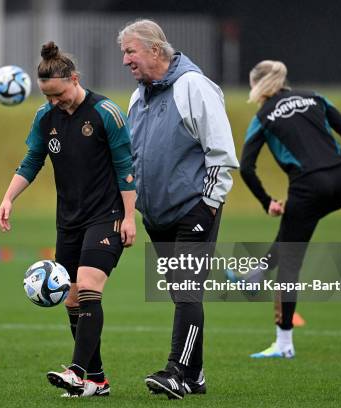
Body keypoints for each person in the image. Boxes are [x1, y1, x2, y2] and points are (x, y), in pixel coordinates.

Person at [0, 41, 136, 397]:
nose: (54, 102)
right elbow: (32, 161)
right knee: (73, 300)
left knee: (89, 286)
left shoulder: (106, 112)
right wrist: (8, 197)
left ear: (73, 79)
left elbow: (126, 169)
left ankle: (76, 371)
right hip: (69, 221)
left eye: (58, 94)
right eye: (47, 97)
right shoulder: (46, 117)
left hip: (108, 217)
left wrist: (130, 216)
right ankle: (98, 380)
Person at [118, 19, 238, 399]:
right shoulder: (139, 97)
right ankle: (197, 375)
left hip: (193, 211)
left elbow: (220, 152)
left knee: (187, 292)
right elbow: (132, 157)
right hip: (157, 215)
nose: (125, 60)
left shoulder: (194, 87)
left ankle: (178, 371)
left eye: (130, 51)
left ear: (155, 50)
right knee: (180, 294)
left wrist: (208, 204)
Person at [238, 60, 341, 358]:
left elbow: (246, 168)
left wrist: (267, 201)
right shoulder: (315, 96)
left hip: (309, 187)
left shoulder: (263, 116)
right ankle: (257, 273)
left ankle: (284, 345)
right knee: (295, 227)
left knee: (290, 264)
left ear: (257, 85)